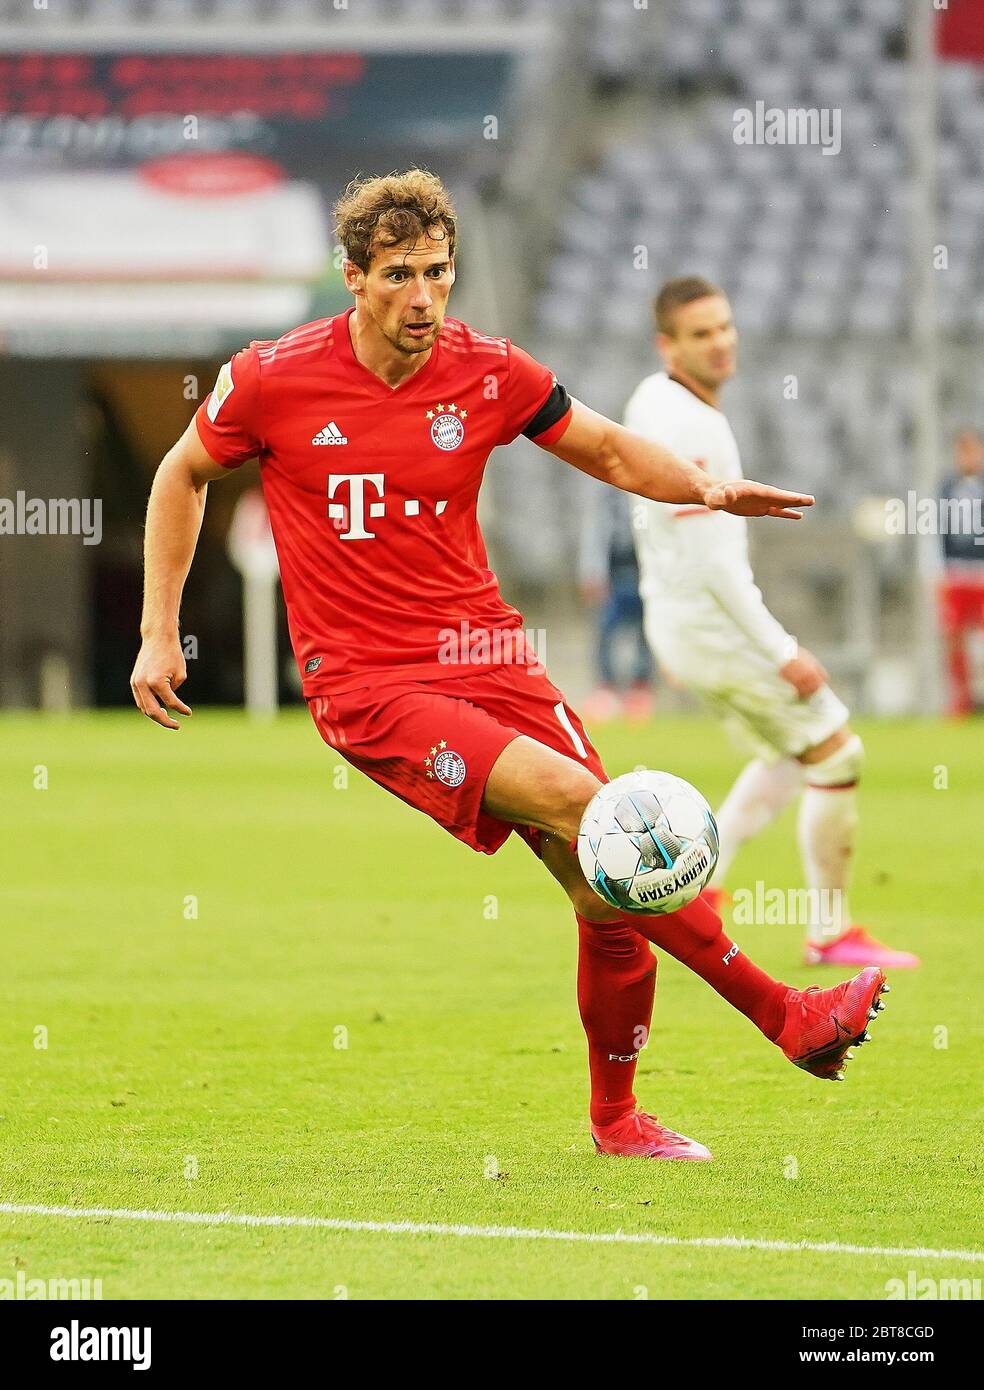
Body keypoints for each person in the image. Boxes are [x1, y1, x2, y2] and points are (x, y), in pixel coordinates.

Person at [130, 172, 888, 1163]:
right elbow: (180, 472)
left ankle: (618, 1121)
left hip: (488, 656)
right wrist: (158, 628)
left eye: (438, 272)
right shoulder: (271, 377)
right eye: (398, 274)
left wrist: (703, 485)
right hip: (370, 684)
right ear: (351, 277)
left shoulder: (486, 370)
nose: (423, 296)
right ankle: (787, 1014)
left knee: (606, 879)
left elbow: (612, 452)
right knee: (601, 813)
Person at [624, 275, 918, 970]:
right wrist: (780, 649)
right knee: (837, 750)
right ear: (668, 345)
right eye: (701, 334)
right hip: (711, 626)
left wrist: (662, 623)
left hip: (682, 622)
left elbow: (651, 530)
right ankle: (828, 931)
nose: (721, 342)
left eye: (725, 326)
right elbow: (712, 563)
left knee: (790, 755)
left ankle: (704, 890)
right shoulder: (695, 427)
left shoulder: (648, 399)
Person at [579, 482, 655, 722]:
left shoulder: (650, 490)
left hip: (644, 572)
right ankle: (606, 690)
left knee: (647, 634)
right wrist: (592, 572)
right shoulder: (605, 492)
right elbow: (595, 533)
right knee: (605, 633)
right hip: (612, 575)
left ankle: (640, 690)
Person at [937, 428, 984, 717]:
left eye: (972, 450)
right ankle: (961, 702)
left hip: (982, 572)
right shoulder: (946, 488)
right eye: (962, 451)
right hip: (956, 573)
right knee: (954, 640)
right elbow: (938, 533)